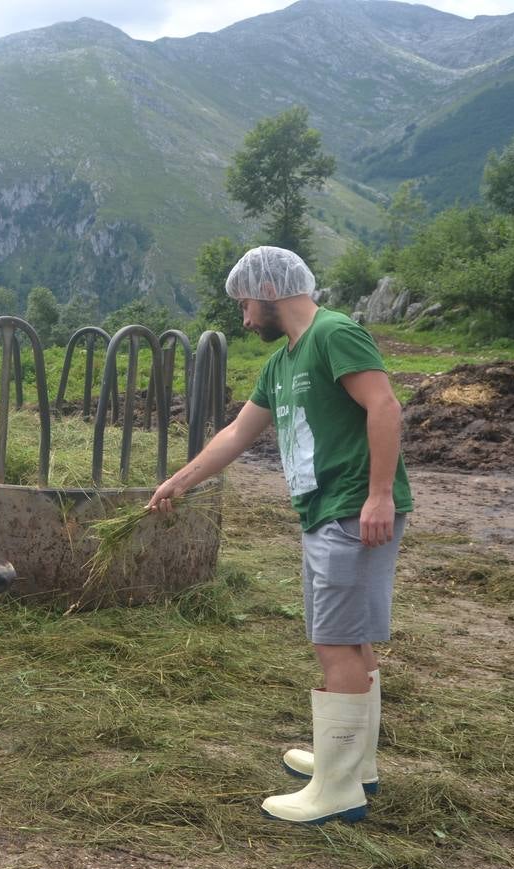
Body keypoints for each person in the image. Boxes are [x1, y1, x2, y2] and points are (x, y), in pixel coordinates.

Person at [147, 245, 413, 826]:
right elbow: (238, 433)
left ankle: (337, 787)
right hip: (323, 511)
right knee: (350, 639)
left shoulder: (334, 334)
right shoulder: (282, 362)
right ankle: (355, 762)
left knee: (335, 643)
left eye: (244, 303)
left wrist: (379, 495)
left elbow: (384, 407)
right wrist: (180, 481)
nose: (243, 318)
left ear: (268, 291)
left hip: (352, 508)